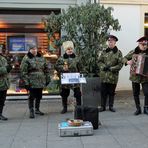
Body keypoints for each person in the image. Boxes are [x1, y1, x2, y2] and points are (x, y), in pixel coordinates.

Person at [20, 44, 51, 118]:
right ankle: (31, 110)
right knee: (31, 96)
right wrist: (26, 83)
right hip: (32, 81)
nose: (34, 50)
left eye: (35, 49)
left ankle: (37, 109)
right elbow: (23, 72)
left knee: (39, 96)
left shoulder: (41, 57)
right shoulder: (26, 58)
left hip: (40, 80)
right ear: (29, 50)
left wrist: (47, 78)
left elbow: (46, 69)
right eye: (32, 49)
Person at [123, 36, 148, 115]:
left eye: (146, 44)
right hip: (135, 76)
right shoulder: (134, 51)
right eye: (142, 44)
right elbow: (124, 58)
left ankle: (146, 108)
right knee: (135, 93)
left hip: (145, 77)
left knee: (147, 93)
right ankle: (138, 109)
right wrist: (127, 62)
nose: (144, 46)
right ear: (139, 44)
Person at [55, 41, 82, 114]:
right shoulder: (61, 58)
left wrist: (80, 74)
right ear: (65, 50)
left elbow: (81, 67)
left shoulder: (77, 58)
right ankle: (65, 107)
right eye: (68, 49)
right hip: (65, 79)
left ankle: (79, 107)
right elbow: (56, 66)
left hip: (75, 78)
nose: (70, 50)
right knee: (64, 94)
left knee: (78, 93)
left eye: (71, 49)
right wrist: (62, 68)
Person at [98, 35, 123, 112]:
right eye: (109, 41)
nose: (110, 42)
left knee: (111, 92)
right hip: (104, 76)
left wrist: (111, 68)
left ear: (115, 42)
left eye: (112, 41)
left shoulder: (118, 53)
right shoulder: (104, 52)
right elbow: (99, 61)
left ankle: (111, 106)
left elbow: (120, 64)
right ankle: (103, 106)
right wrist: (103, 67)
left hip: (113, 76)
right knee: (103, 92)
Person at [0, 47, 12, 120]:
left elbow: (7, 68)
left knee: (2, 100)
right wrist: (6, 69)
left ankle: (0, 114)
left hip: (4, 83)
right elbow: (5, 69)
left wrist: (9, 67)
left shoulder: (3, 58)